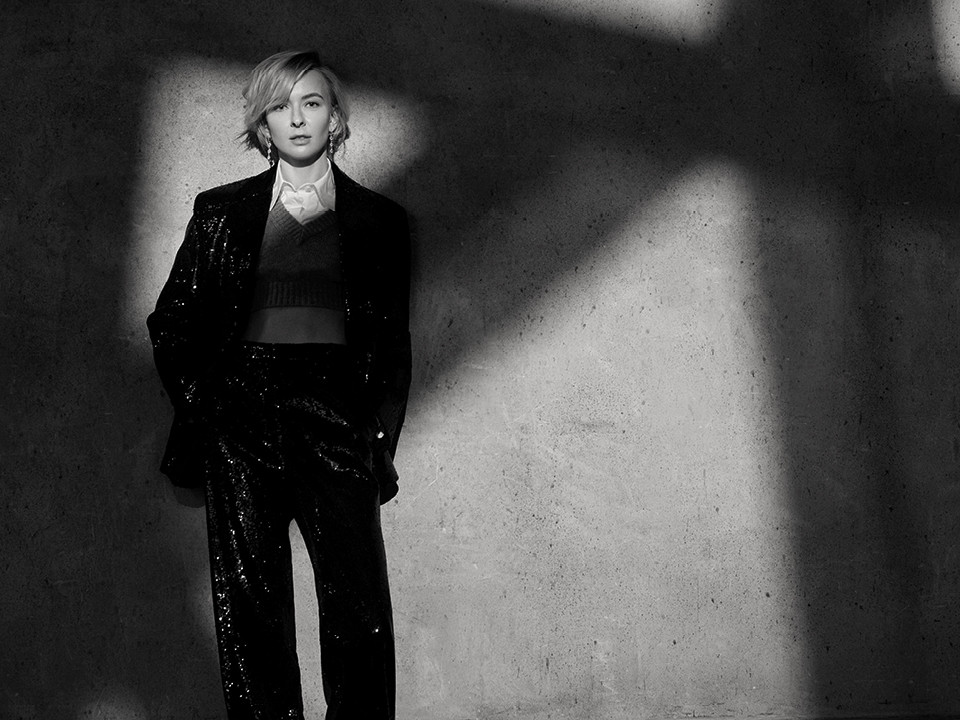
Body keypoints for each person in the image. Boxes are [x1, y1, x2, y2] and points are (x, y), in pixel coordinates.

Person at [147, 49, 411, 719]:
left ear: (335, 119)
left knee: (360, 614)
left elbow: (391, 346)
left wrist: (373, 436)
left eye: (311, 103)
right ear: (263, 124)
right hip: (242, 422)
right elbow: (172, 321)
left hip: (334, 419)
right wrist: (210, 408)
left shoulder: (379, 221)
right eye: (279, 106)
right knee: (252, 614)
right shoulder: (220, 212)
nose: (296, 119)